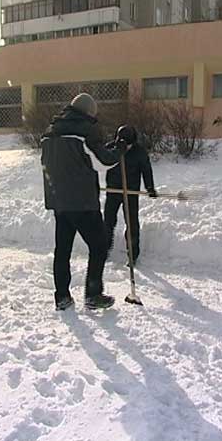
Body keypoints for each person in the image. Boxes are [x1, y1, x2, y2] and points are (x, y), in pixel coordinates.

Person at [41, 93, 125, 311]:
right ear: (89, 112)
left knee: (63, 250)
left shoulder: (50, 132)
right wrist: (118, 151)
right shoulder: (85, 130)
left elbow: (52, 163)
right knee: (99, 245)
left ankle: (62, 297)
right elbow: (101, 162)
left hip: (59, 201)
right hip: (83, 203)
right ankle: (93, 295)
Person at [104, 125, 157, 265]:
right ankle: (104, 248)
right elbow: (99, 163)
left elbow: (146, 170)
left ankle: (133, 254)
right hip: (113, 190)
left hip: (131, 192)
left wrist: (150, 187)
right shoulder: (110, 148)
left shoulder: (139, 152)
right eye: (122, 144)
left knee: (131, 222)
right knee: (108, 221)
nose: (125, 148)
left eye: (128, 145)